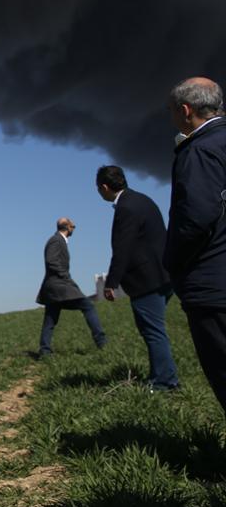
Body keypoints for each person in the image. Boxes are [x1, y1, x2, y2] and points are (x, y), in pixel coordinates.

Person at [164, 76, 226, 412]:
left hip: (214, 285)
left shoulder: (199, 150)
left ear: (186, 110)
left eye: (172, 111)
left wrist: (173, 263)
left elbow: (196, 218)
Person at [95, 165, 179, 392]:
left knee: (153, 331)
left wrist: (111, 282)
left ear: (104, 187)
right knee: (153, 329)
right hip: (164, 275)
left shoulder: (126, 207)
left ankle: (165, 382)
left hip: (147, 280)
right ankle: (160, 375)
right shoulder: (143, 200)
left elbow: (123, 248)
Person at [35, 217, 108, 357]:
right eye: (73, 226)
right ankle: (102, 342)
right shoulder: (56, 240)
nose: (74, 229)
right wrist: (65, 276)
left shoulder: (59, 240)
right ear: (67, 227)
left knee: (50, 319)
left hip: (53, 288)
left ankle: (44, 351)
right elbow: (51, 261)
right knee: (88, 306)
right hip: (59, 285)